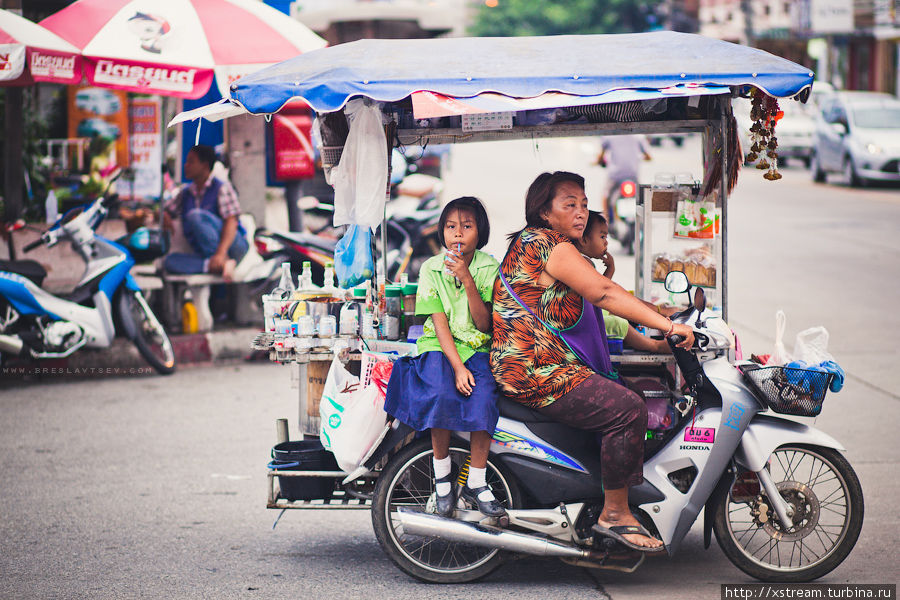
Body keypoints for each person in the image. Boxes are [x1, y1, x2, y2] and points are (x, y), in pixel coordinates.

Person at [490, 172, 694, 553]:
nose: (581, 212)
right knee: (627, 408)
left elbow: (610, 291)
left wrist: (664, 315)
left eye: (583, 204)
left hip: (547, 366)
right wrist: (667, 326)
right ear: (544, 212)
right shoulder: (545, 243)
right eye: (570, 204)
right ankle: (614, 514)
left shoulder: (547, 244)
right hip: (536, 370)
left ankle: (604, 491)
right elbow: (602, 292)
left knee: (630, 390)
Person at [384, 197, 505, 518]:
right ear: (442, 231)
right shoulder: (430, 268)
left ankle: (477, 480)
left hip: (478, 345)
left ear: (480, 232)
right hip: (439, 346)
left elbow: (484, 323)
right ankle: (442, 480)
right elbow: (438, 324)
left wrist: (467, 279)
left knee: (483, 399)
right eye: (451, 227)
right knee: (440, 394)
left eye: (467, 227)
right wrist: (456, 367)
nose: (458, 234)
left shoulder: (488, 268)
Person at [575, 210, 673, 354]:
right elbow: (603, 295)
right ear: (583, 240)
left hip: (586, 314)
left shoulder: (584, 261)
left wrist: (610, 269)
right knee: (618, 322)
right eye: (602, 236)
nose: (606, 242)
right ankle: (653, 345)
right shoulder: (582, 262)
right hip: (579, 323)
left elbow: (597, 290)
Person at [162, 145, 248, 280]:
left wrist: (220, 253)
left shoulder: (221, 188)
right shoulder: (185, 193)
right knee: (169, 262)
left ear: (205, 165)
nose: (186, 165)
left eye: (191, 161)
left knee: (195, 216)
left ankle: (221, 260)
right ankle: (218, 265)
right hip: (206, 253)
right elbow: (165, 210)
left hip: (232, 246)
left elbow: (232, 222)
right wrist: (164, 215)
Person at [597, 134, 651, 223]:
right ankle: (644, 220)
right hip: (632, 175)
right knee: (642, 197)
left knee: (606, 196)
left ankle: (605, 220)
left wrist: (599, 161)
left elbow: (601, 156)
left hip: (615, 175)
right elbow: (648, 156)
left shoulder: (609, 135)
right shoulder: (639, 136)